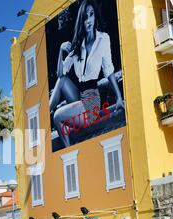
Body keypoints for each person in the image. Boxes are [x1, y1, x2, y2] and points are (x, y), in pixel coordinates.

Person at [49, 0, 124, 148]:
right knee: (62, 80)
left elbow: (108, 70)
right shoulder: (78, 45)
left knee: (57, 116)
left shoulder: (103, 39)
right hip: (78, 98)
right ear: (81, 21)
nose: (88, 20)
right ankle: (47, 115)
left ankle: (69, 150)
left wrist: (119, 98)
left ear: (95, 17)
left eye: (91, 15)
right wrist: (61, 50)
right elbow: (60, 73)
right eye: (85, 17)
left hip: (91, 102)